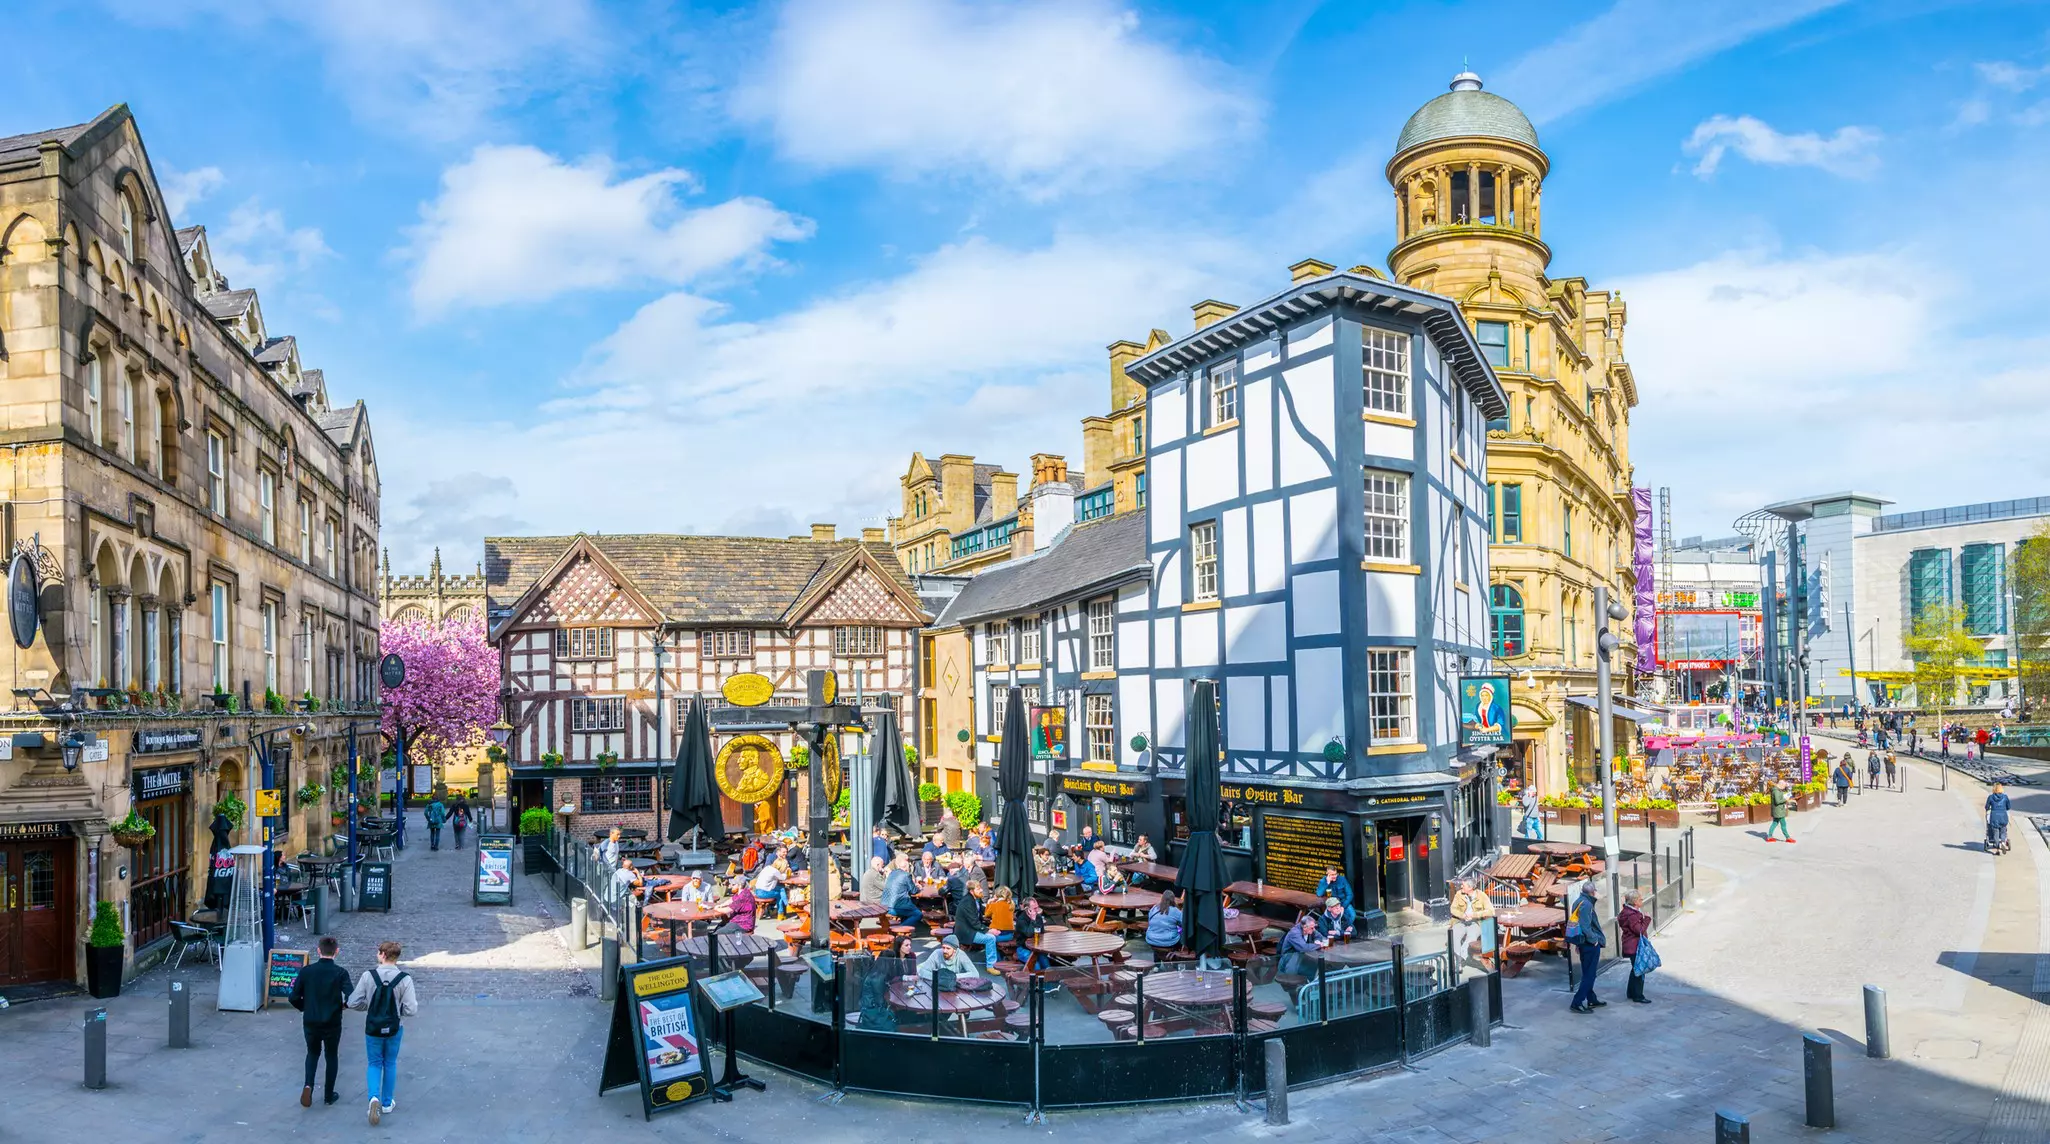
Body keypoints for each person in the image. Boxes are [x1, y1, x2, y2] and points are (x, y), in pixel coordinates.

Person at [346, 940, 419, 1125]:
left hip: (373, 1028)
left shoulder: (368, 976)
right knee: (390, 1063)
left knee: (374, 1063)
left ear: (383, 955)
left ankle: (373, 1098)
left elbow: (353, 1002)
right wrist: (396, 1013)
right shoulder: (405, 979)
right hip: (395, 1028)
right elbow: (411, 1009)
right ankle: (387, 1103)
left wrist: (369, 1007)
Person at [289, 934, 352, 1108]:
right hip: (332, 1021)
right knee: (331, 1055)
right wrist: (344, 1005)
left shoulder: (306, 971)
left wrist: (304, 1007)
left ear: (318, 950)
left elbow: (293, 996)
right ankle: (328, 1094)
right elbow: (352, 996)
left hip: (311, 1020)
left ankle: (308, 1085)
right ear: (336, 952)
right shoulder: (340, 973)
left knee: (312, 1053)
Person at [1567, 881, 1605, 1014]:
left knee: (1588, 973)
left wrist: (1579, 943)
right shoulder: (1587, 904)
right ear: (1592, 892)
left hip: (1583, 943)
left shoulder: (1579, 901)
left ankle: (1591, 999)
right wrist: (1594, 940)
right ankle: (1577, 1002)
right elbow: (1585, 926)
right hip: (1589, 944)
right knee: (1590, 975)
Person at [1618, 892, 1653, 1004]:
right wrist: (1647, 919)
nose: (1641, 900)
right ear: (1634, 901)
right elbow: (1639, 930)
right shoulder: (1632, 915)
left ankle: (1631, 992)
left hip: (1631, 945)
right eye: (1640, 899)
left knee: (1635, 969)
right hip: (1634, 946)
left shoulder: (1628, 912)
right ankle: (1638, 995)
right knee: (1639, 969)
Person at [1449, 879, 1494, 962]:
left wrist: (1474, 915)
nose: (1461, 886)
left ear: (1470, 888)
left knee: (1471, 937)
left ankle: (1460, 958)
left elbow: (1491, 911)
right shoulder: (1459, 894)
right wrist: (1462, 915)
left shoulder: (1481, 895)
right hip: (1461, 921)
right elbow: (1453, 909)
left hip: (1475, 923)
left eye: (1463, 885)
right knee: (1454, 936)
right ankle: (1457, 961)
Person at [1278, 914, 1325, 978]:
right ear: (1305, 927)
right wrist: (1318, 945)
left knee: (1317, 967)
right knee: (1315, 969)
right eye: (1312, 928)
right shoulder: (1294, 933)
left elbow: (1319, 936)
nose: (1314, 929)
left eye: (1314, 927)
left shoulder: (1310, 929)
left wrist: (1317, 941)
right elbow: (1303, 948)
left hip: (1302, 958)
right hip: (1289, 960)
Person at [918, 933, 982, 980]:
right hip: (939, 983)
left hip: (954, 984)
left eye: (948, 948)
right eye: (943, 947)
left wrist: (954, 977)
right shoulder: (937, 953)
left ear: (955, 950)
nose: (945, 951)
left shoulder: (961, 955)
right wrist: (938, 978)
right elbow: (922, 971)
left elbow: (975, 974)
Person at [981, 886, 1017, 969]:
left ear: (996, 895)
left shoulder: (994, 905)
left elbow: (986, 914)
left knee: (989, 941)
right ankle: (1001, 958)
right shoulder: (1011, 904)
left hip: (998, 934)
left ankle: (998, 961)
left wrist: (989, 902)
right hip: (1010, 935)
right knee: (993, 941)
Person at [1014, 895, 1050, 973]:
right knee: (1035, 964)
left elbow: (1042, 933)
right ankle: (1036, 983)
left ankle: (1050, 983)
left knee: (1046, 964)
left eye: (1037, 907)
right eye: (1034, 908)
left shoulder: (1039, 918)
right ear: (1027, 909)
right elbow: (1029, 934)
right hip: (1023, 948)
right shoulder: (1021, 920)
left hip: (1037, 948)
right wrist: (1033, 920)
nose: (1037, 910)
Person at [1315, 866, 1355, 932]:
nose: (1334, 876)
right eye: (1332, 875)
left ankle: (1342, 930)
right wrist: (1327, 883)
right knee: (1332, 917)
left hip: (1343, 902)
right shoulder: (1323, 881)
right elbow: (1319, 894)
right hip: (1332, 903)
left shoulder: (1342, 879)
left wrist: (1343, 906)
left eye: (1335, 874)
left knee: (1352, 915)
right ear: (1327, 874)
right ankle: (1333, 930)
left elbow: (1350, 894)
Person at [1144, 890, 1185, 956]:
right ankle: (1175, 958)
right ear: (1173, 899)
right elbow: (1184, 924)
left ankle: (1157, 963)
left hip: (1151, 939)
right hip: (1170, 941)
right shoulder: (1176, 911)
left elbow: (1150, 921)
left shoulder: (1154, 908)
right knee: (1182, 937)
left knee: (1157, 939)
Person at [883, 855, 920, 927]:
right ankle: (900, 928)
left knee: (908, 909)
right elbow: (914, 891)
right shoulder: (906, 875)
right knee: (918, 914)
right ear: (907, 868)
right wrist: (918, 888)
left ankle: (905, 929)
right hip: (896, 906)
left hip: (885, 905)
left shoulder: (892, 873)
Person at [753, 847, 789, 917]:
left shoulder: (768, 868)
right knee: (780, 895)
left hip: (757, 891)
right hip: (764, 893)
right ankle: (781, 911)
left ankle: (785, 906)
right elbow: (783, 878)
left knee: (781, 889)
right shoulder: (775, 871)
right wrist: (786, 872)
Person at [1766, 779, 1795, 843]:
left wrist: (1784, 797)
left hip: (1778, 810)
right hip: (1778, 810)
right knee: (1783, 824)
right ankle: (1788, 837)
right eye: (1784, 786)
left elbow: (1778, 799)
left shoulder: (1777, 790)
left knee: (1775, 823)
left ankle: (1769, 837)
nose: (1784, 787)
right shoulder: (1776, 791)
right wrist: (1785, 799)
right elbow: (1777, 801)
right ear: (1781, 784)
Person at [1987, 783, 2012, 854]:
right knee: (2003, 831)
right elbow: (2008, 807)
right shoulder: (2005, 797)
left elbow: (1987, 807)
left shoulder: (1991, 797)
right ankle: (2003, 842)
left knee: (1996, 832)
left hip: (1994, 817)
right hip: (2003, 816)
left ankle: (1997, 848)